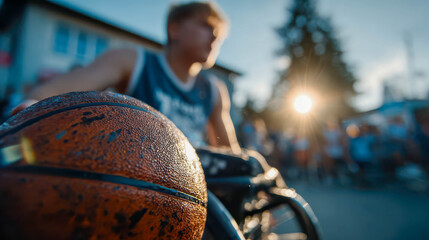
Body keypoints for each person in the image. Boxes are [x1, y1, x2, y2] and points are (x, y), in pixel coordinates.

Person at [12, 2, 240, 153]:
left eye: (219, 33)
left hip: (193, 191)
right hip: (136, 179)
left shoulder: (214, 89)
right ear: (174, 29)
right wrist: (36, 107)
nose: (214, 36)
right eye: (206, 25)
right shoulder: (132, 61)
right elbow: (45, 95)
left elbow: (232, 155)